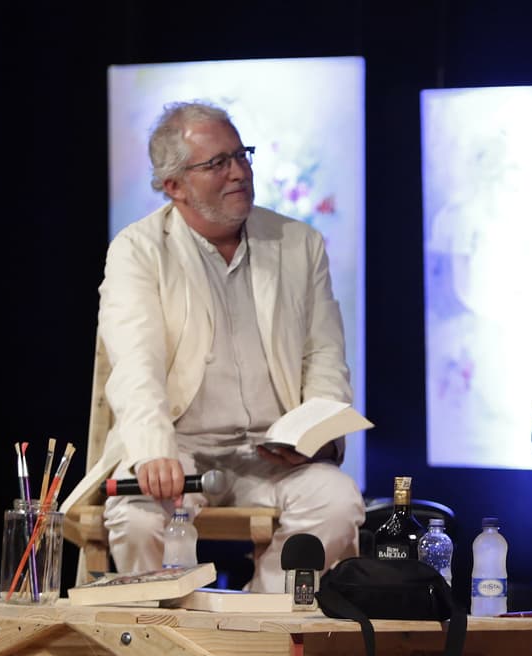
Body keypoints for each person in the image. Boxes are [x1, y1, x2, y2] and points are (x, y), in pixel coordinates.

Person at [62, 100, 365, 593]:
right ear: (174, 186)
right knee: (138, 522)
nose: (238, 173)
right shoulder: (138, 249)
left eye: (240, 155)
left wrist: (318, 433)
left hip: (272, 452)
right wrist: (154, 452)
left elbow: (324, 355)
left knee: (337, 503)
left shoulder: (298, 243)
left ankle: (254, 636)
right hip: (180, 447)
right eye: (216, 164)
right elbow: (135, 362)